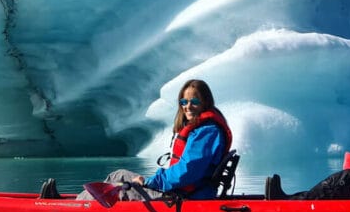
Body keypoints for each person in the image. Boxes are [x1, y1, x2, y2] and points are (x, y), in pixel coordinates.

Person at [74, 79, 232, 202]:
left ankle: (74, 207)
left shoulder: (206, 132)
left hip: (185, 196)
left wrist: (150, 182)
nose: (188, 106)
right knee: (119, 175)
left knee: (120, 188)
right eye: (184, 102)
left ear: (205, 103)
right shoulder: (203, 130)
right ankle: (80, 201)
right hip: (180, 190)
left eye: (194, 101)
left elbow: (186, 172)